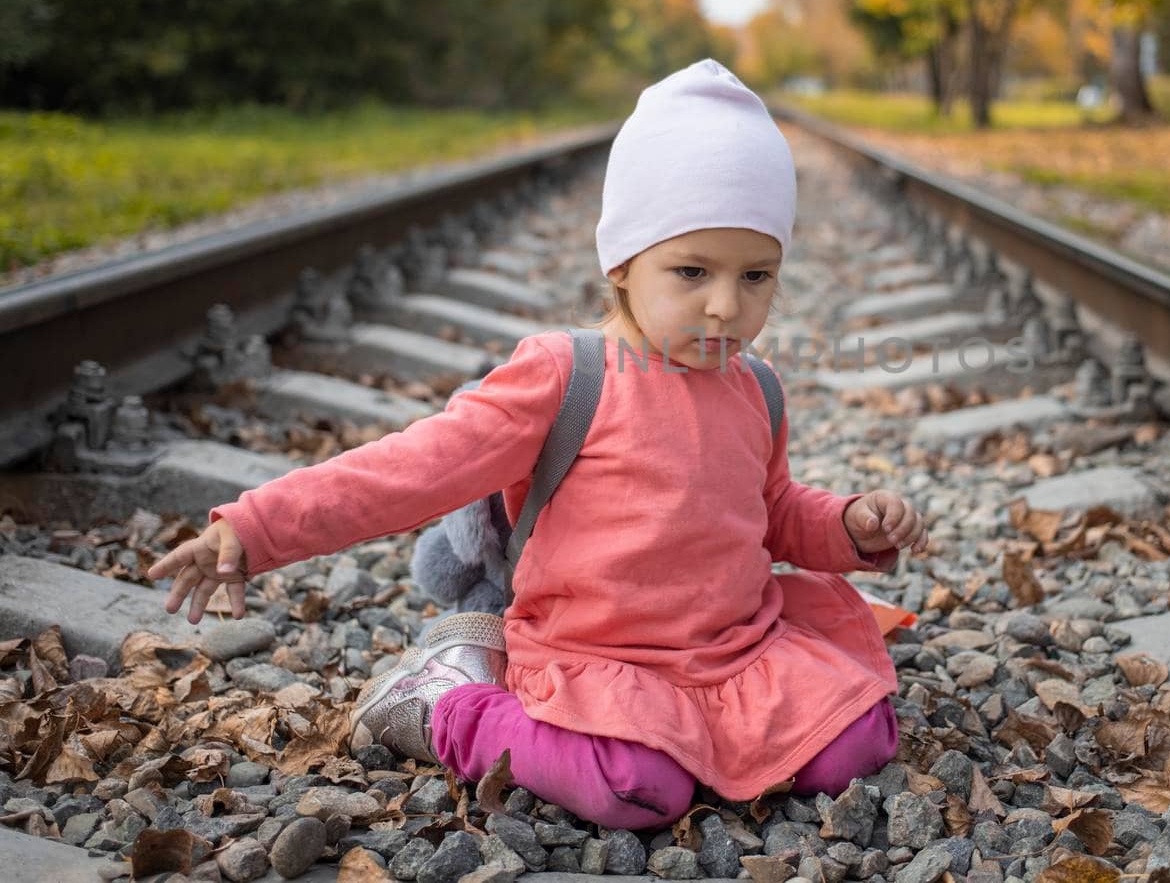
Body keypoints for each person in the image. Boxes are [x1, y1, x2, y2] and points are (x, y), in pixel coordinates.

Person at [147, 59, 928, 831]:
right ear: (621, 263)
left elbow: (773, 511)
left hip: (731, 649)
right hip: (598, 658)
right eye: (691, 271)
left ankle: (713, 733)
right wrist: (256, 528)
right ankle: (446, 705)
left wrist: (849, 524)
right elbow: (411, 470)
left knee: (853, 746)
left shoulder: (756, 387)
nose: (726, 306)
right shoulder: (568, 374)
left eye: (757, 276)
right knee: (635, 790)